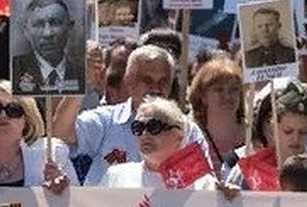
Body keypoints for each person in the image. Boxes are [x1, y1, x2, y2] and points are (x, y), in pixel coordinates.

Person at [53, 43, 208, 186]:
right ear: (129, 81)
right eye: (147, 80)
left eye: (163, 81)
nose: (156, 88)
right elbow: (60, 134)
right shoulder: (106, 121)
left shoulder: (186, 131)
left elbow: (201, 185)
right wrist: (80, 84)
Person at [10, 0, 85, 94]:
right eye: (39, 24)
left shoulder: (83, 74)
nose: (47, 33)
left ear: (69, 27)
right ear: (26, 31)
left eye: (55, 23)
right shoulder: (13, 72)